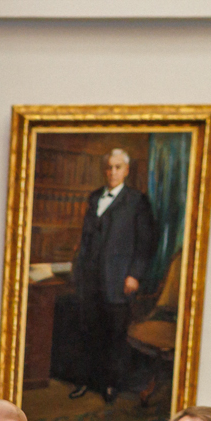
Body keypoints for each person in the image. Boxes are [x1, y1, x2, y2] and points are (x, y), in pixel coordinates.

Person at [52, 148, 157, 405]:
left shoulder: (137, 200)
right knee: (88, 330)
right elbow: (87, 238)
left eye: (117, 167)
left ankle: (111, 384)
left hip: (118, 280)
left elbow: (145, 243)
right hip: (90, 279)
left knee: (115, 335)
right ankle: (87, 380)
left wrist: (134, 275)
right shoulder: (94, 197)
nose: (112, 172)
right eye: (109, 167)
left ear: (126, 170)